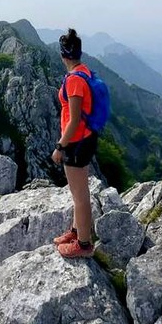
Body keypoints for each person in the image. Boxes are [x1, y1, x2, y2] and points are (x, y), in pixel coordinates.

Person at [52, 28, 97, 258]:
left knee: (80, 195)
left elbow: (75, 118)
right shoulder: (84, 71)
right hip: (84, 139)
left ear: (63, 55)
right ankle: (76, 230)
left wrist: (60, 146)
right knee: (79, 193)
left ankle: (84, 245)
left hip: (76, 142)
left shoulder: (74, 81)